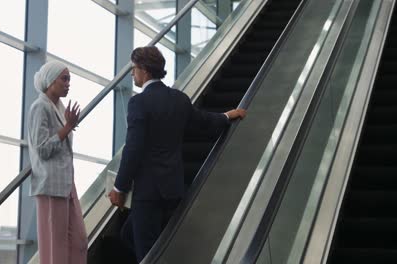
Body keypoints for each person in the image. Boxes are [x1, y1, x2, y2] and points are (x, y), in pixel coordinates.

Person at [108, 46, 246, 262]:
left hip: (148, 191)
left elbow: (133, 147)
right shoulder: (178, 99)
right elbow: (203, 122)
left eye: (133, 69)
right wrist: (228, 116)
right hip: (172, 188)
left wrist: (119, 187)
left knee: (147, 253)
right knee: (129, 234)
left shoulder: (139, 102)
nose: (132, 73)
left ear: (144, 69)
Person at [27, 60, 87, 264]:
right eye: (65, 78)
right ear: (51, 81)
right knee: (55, 248)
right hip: (51, 186)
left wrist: (67, 125)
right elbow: (42, 149)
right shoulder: (39, 107)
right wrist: (68, 127)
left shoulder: (58, 108)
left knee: (78, 242)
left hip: (66, 185)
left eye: (69, 79)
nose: (68, 83)